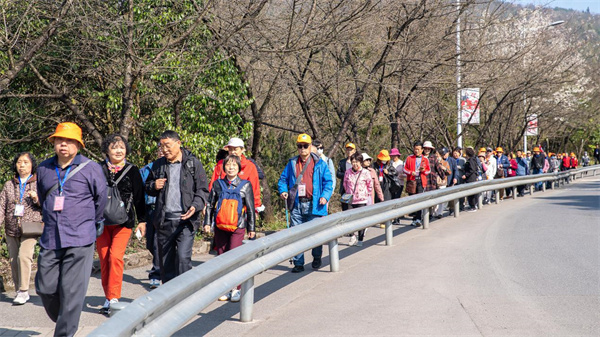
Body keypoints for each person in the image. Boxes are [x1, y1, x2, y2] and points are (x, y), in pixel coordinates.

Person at [36, 122, 107, 337]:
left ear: (78, 145)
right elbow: (42, 196)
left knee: (71, 291)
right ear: (54, 143)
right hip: (51, 237)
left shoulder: (91, 168)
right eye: (59, 140)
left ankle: (64, 333)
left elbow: (100, 199)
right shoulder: (44, 168)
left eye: (68, 141)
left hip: (80, 237)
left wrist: (89, 222)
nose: (63, 144)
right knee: (44, 287)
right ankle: (66, 317)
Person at [145, 130, 209, 283]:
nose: (164, 150)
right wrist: (154, 185)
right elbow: (147, 187)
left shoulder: (193, 163)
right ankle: (170, 300)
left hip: (186, 221)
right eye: (161, 146)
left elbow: (203, 189)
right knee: (165, 264)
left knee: (182, 257)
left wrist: (195, 205)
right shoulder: (158, 165)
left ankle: (186, 294)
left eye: (167, 145)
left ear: (178, 143)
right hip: (164, 221)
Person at [97, 134, 146, 314]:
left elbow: (140, 198)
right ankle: (107, 296)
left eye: (122, 147)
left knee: (115, 257)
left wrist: (143, 221)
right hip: (100, 222)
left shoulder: (132, 170)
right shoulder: (97, 169)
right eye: (114, 147)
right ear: (106, 150)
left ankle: (114, 297)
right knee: (104, 259)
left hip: (124, 222)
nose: (119, 150)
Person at [278, 133, 333, 272]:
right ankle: (298, 263)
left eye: (305, 146)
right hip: (297, 204)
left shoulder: (320, 163)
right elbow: (283, 179)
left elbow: (328, 182)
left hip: (315, 204)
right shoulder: (292, 163)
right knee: (297, 235)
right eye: (300, 146)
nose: (302, 148)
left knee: (316, 234)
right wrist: (283, 190)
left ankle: (316, 256)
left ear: (310, 147)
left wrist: (325, 196)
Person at [203, 155, 255, 302]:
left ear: (239, 168)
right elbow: (210, 205)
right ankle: (224, 288)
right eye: (228, 165)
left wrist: (251, 228)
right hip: (220, 226)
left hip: (238, 226)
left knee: (234, 255)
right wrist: (207, 223)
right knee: (221, 256)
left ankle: (236, 288)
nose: (231, 167)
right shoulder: (218, 184)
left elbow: (250, 208)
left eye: (234, 165)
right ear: (224, 167)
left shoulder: (246, 185)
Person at [0, 152, 42, 305]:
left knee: (23, 256)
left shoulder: (38, 183)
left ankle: (24, 291)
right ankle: (19, 290)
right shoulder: (9, 185)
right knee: (13, 260)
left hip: (31, 227)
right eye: (19, 162)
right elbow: (1, 206)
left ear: (32, 165)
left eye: (25, 162)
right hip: (12, 227)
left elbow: (47, 204)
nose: (22, 165)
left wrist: (37, 198)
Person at [209, 138, 262, 212]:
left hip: (242, 211)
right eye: (230, 149)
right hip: (221, 209)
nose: (233, 152)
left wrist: (255, 209)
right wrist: (207, 205)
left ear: (242, 150)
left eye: (235, 149)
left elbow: (255, 190)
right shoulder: (221, 164)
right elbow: (212, 185)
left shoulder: (250, 166)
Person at [139, 145, 164, 289]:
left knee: (156, 243)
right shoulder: (148, 169)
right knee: (150, 243)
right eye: (160, 150)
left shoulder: (172, 168)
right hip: (150, 209)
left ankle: (156, 274)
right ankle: (162, 267)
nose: (163, 152)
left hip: (164, 210)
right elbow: (140, 188)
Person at [343, 153, 373, 247]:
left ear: (361, 162)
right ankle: (352, 235)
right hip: (350, 199)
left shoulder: (366, 172)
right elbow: (345, 183)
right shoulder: (348, 172)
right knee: (349, 219)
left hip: (361, 200)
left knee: (361, 220)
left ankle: (360, 239)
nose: (355, 164)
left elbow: (370, 185)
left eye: (357, 162)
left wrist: (365, 194)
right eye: (353, 162)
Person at [403, 141, 430, 227]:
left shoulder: (425, 159)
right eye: (415, 149)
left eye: (418, 149)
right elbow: (404, 169)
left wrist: (423, 170)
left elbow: (428, 170)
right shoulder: (409, 158)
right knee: (413, 200)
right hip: (412, 181)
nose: (416, 151)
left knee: (419, 199)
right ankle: (415, 218)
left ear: (422, 150)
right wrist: (411, 172)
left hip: (421, 181)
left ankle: (418, 218)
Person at [336, 143, 356, 211]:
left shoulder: (357, 162)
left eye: (351, 149)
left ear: (354, 151)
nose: (349, 151)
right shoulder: (342, 162)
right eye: (348, 149)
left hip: (355, 189)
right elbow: (338, 174)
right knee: (345, 207)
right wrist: (346, 174)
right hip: (344, 189)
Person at [432, 149, 451, 218]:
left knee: (441, 199)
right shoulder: (432, 162)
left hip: (442, 183)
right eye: (435, 155)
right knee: (434, 199)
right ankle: (434, 212)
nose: (437, 156)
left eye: (438, 155)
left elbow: (449, 172)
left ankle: (440, 213)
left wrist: (444, 168)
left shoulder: (445, 163)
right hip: (434, 183)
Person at [462, 147, 479, 212]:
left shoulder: (471, 160)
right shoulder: (474, 159)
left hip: (471, 178)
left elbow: (472, 169)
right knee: (473, 192)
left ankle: (473, 206)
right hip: (473, 177)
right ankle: (474, 205)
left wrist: (466, 175)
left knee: (471, 193)